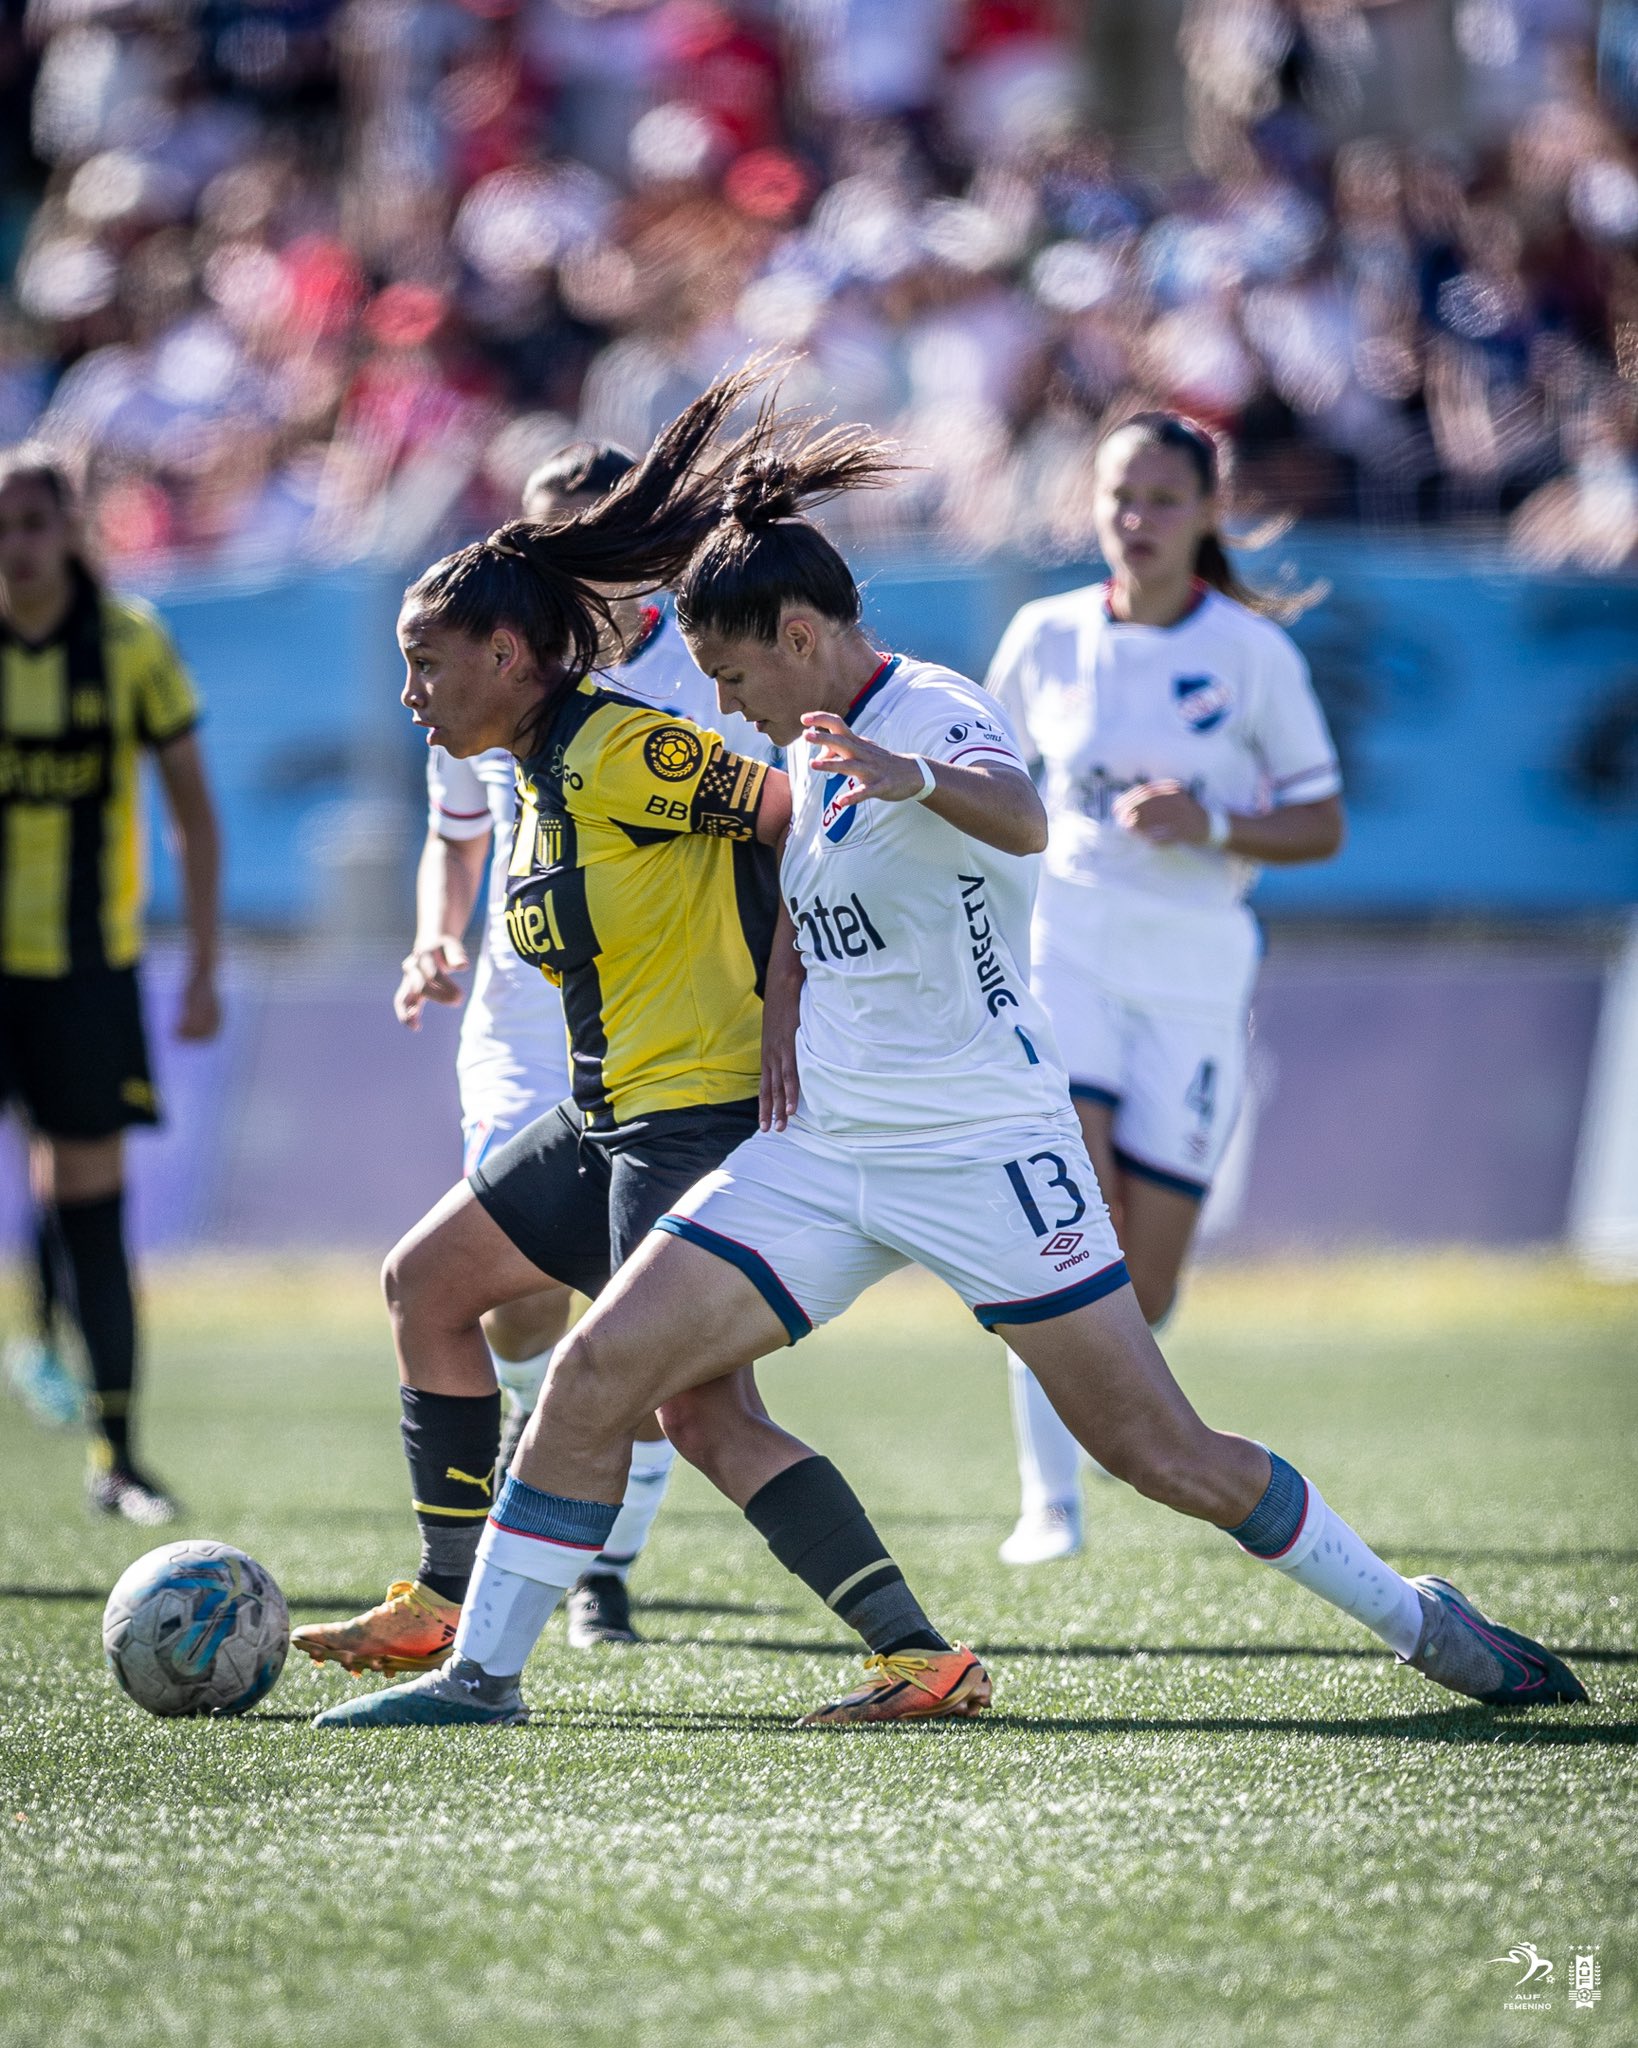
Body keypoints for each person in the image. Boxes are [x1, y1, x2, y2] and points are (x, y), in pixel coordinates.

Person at [323, 369, 1586, 1730]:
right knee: (595, 1373)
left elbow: (1020, 812)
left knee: (1159, 1453)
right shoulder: (801, 748)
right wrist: (788, 1026)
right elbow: (806, 910)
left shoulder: (928, 711)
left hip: (987, 1149)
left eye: (737, 673)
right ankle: (480, 1680)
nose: (727, 704)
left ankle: (1421, 1624)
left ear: (801, 634)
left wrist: (906, 775)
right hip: (821, 1153)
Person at [299, 375, 985, 1722]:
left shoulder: (627, 751)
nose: (409, 692)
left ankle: (917, 1656)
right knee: (428, 1286)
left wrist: (795, 995)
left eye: (426, 663)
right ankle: (443, 1605)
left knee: (699, 1414)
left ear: (507, 658)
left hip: (693, 1120)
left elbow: (801, 812)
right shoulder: (537, 767)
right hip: (609, 1115)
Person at [391, 439, 775, 1648]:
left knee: (629, 1316)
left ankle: (598, 1565)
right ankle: (530, 1489)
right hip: (524, 1010)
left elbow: (771, 822)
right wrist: (433, 939)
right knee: (504, 1304)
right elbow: (460, 833)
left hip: (662, 1020)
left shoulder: (698, 672)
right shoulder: (478, 679)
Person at [983, 412, 1345, 1565]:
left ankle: (1109, 1404)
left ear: (1207, 512)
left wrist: (1213, 820)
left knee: (1150, 1274)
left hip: (1191, 985)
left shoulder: (1252, 654)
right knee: (1064, 1220)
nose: (1136, 520)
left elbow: (1322, 820)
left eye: (1162, 500)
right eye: (1119, 497)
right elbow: (989, 787)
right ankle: (1051, 1498)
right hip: (1067, 958)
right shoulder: (1044, 635)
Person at [0, 447, 221, 1521]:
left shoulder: (129, 643)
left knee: (92, 1211)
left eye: (34, 522)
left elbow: (191, 807)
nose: (18, 545)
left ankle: (118, 1454)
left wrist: (208, 962)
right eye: (3, 524)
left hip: (87, 973)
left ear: (72, 529)